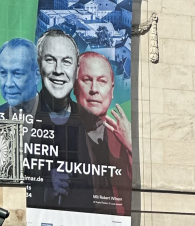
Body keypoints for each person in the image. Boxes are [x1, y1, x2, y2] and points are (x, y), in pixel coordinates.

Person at [27, 30, 94, 211]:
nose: (58, 70)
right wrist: (44, 191)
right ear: (38, 65)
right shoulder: (18, 119)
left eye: (66, 62)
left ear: (77, 70)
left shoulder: (92, 125)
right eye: (50, 60)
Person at [73, 52, 132, 215]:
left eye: (102, 82)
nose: (94, 90)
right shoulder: (60, 133)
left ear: (112, 90)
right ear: (74, 87)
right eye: (86, 80)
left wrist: (131, 146)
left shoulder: (123, 138)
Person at [0, 38, 40, 123]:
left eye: (17, 73)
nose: (8, 83)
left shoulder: (60, 120)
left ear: (37, 76)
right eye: (3, 72)